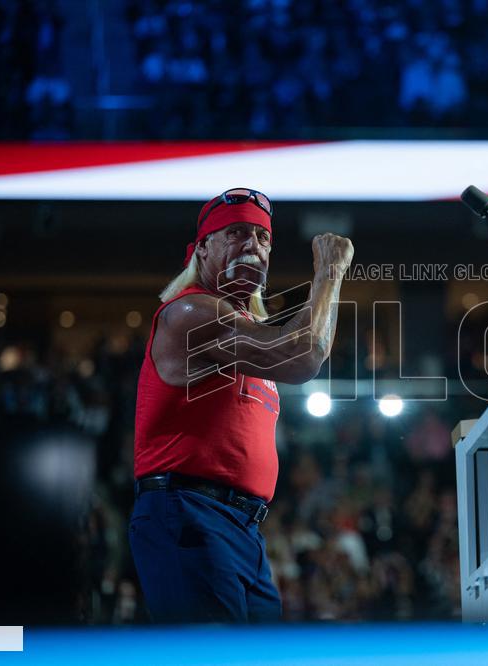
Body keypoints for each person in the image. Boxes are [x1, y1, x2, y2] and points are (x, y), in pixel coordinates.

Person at [129, 188, 353, 622]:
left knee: (258, 652)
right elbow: (303, 356)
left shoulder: (247, 328)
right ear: (203, 248)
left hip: (240, 526)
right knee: (214, 652)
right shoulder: (191, 311)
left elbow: (302, 349)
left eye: (263, 237)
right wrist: (329, 272)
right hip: (190, 513)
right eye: (236, 233)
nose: (253, 244)